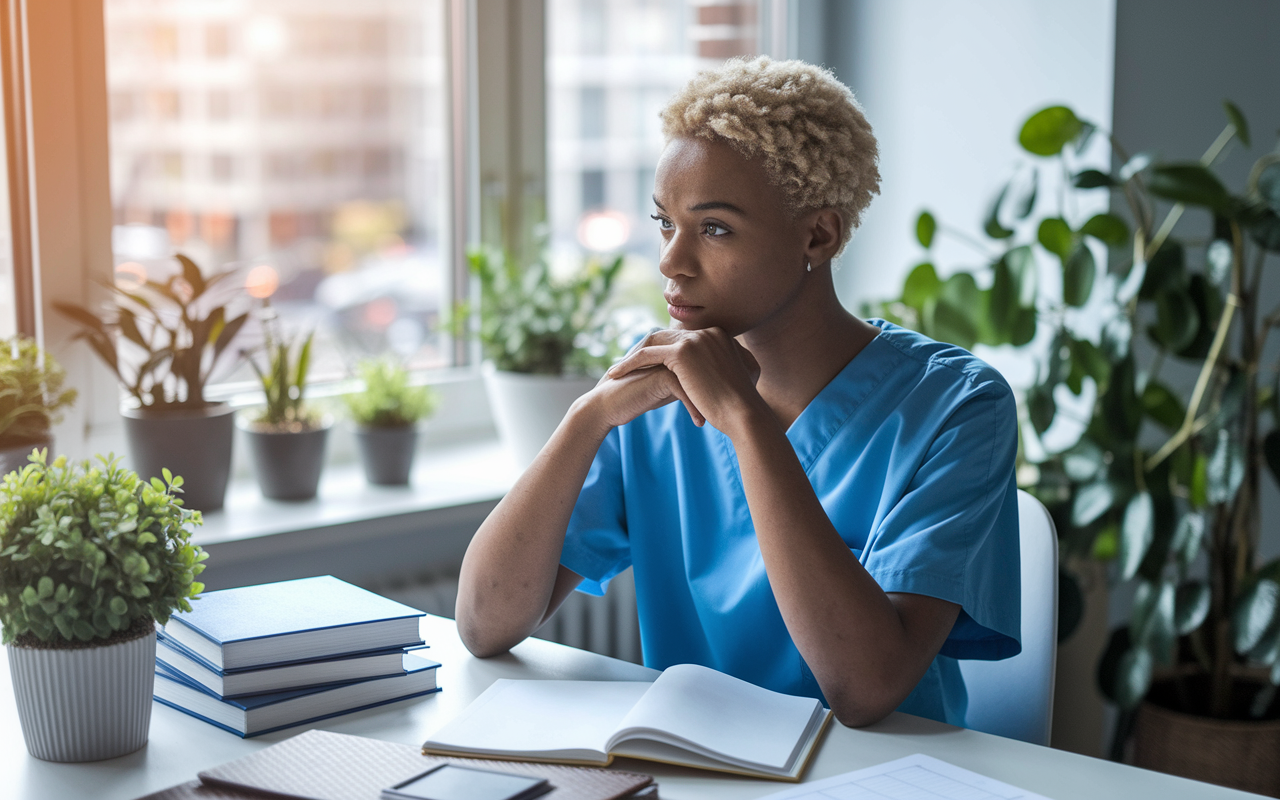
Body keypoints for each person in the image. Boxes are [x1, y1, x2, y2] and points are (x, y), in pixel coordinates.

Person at [456, 56, 1020, 729]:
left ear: (819, 234)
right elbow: (484, 623)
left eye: (714, 229)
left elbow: (867, 689)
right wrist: (587, 418)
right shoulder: (653, 391)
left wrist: (745, 421)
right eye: (665, 222)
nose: (670, 260)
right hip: (693, 770)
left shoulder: (956, 406)